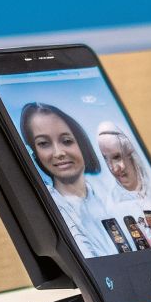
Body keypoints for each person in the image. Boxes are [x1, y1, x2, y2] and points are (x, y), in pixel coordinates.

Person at [19, 102, 121, 257]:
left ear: (82, 143)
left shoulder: (114, 195)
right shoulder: (49, 207)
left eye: (66, 141)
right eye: (43, 144)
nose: (58, 152)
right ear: (34, 153)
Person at [96, 121, 151, 244]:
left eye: (117, 157)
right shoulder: (112, 205)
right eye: (106, 159)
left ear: (131, 153)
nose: (113, 168)